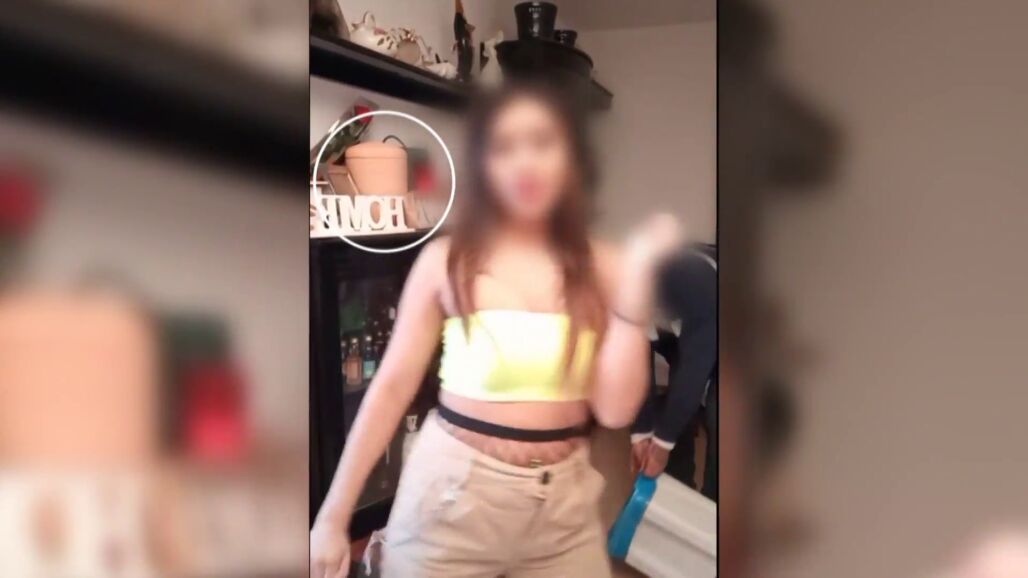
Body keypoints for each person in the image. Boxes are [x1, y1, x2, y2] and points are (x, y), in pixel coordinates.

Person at [309, 82, 681, 578]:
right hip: (451, 500)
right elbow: (391, 387)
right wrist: (333, 516)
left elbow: (614, 410)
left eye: (542, 142)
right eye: (504, 147)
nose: (524, 162)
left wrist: (632, 305)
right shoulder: (447, 260)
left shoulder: (607, 266)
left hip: (563, 511)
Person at [630, 244, 718, 500]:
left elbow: (693, 373)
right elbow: (636, 368)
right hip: (681, 322)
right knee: (669, 409)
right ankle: (676, 491)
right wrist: (642, 433)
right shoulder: (631, 289)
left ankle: (712, 504)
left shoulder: (699, 289)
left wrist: (662, 443)